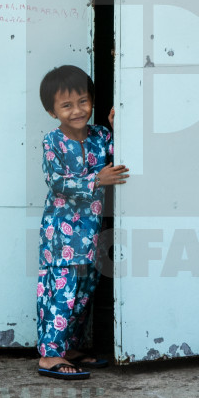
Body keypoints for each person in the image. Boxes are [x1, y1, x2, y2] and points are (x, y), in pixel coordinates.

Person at [36, 65, 129, 379]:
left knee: (84, 293)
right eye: (66, 105)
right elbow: (57, 182)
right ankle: (50, 356)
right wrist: (95, 180)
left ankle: (70, 348)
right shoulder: (53, 142)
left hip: (91, 233)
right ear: (52, 111)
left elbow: (120, 160)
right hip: (60, 235)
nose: (77, 111)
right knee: (61, 292)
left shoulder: (100, 136)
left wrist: (118, 129)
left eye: (83, 102)